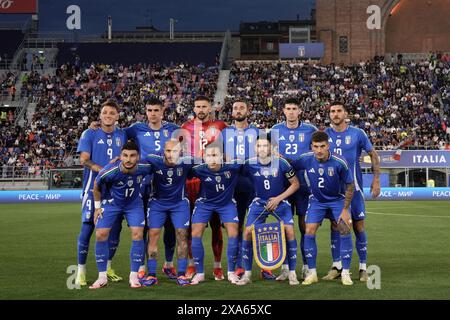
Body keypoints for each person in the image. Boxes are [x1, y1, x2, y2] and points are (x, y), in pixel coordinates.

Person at [123, 97, 180, 279]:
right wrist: (96, 126)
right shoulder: (136, 129)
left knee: (171, 226)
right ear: (145, 112)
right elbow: (116, 133)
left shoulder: (172, 128)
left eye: (156, 110)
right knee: (146, 226)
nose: (153, 114)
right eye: (149, 110)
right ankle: (141, 265)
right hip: (145, 183)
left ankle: (169, 264)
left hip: (167, 184)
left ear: (162, 111)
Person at [323, 103, 380, 282]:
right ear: (329, 115)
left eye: (339, 111)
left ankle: (363, 268)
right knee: (335, 226)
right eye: (332, 111)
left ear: (345, 113)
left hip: (354, 190)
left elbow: (373, 154)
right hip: (334, 192)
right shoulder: (324, 135)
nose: (336, 114)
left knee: (359, 226)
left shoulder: (358, 133)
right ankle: (337, 266)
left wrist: (376, 179)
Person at [292, 131, 355, 286]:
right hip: (316, 201)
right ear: (311, 147)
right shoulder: (306, 159)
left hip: (337, 200)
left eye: (322, 146)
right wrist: (277, 158)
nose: (319, 150)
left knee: (345, 227)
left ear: (328, 146)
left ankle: (345, 273)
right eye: (315, 146)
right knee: (309, 230)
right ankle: (312, 273)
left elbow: (350, 186)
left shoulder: (339, 162)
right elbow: (289, 165)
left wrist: (345, 209)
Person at [75, 99, 127, 287]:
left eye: (112, 113)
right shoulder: (89, 133)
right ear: (100, 114)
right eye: (105, 112)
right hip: (93, 188)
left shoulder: (122, 134)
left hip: (115, 190)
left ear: (117, 116)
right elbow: (84, 160)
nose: (108, 116)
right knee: (88, 227)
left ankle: (108, 268)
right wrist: (103, 169)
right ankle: (81, 271)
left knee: (115, 230)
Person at [236, 134, 300, 285]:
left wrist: (278, 198)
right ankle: (247, 274)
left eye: (265, 145)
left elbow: (296, 184)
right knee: (247, 232)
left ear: (271, 147)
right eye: (259, 146)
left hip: (280, 202)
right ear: (255, 148)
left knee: (289, 231)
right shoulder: (248, 164)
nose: (262, 149)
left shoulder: (282, 163)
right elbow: (234, 174)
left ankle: (291, 273)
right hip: (259, 204)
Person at [90, 140, 152, 289]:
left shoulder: (145, 166)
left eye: (132, 156)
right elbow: (96, 187)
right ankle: (102, 277)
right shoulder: (110, 170)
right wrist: (97, 207)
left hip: (134, 205)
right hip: (112, 204)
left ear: (138, 157)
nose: (128, 159)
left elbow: (158, 164)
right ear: (120, 156)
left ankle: (134, 277)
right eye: (125, 155)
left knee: (138, 234)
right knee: (100, 234)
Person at [181, 95, 228, 280]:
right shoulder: (185, 127)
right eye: (197, 106)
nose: (200, 109)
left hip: (214, 181)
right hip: (192, 182)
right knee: (193, 226)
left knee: (216, 225)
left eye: (204, 106)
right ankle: (192, 266)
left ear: (210, 108)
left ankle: (217, 266)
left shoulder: (221, 127)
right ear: (194, 108)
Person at [271, 98, 318, 280]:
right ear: (283, 110)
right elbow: (271, 153)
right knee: (284, 226)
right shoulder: (275, 130)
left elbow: (316, 152)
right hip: (282, 184)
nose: (291, 112)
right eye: (288, 108)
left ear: (300, 111)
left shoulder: (310, 130)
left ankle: (306, 266)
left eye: (294, 109)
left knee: (304, 226)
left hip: (304, 184)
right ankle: (285, 268)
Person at [141, 140, 194, 287]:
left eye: (175, 151)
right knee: (153, 236)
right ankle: (151, 274)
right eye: (169, 151)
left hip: (179, 204)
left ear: (181, 152)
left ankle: (182, 274)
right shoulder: (153, 160)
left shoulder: (187, 161)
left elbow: (208, 162)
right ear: (163, 151)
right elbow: (134, 162)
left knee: (182, 236)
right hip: (157, 203)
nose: (171, 155)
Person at [189, 142, 241, 285]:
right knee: (195, 233)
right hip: (205, 203)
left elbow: (252, 162)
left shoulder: (233, 167)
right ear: (204, 157)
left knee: (233, 232)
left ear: (222, 157)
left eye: (215, 155)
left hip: (226, 203)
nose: (212, 159)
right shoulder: (198, 169)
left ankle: (231, 272)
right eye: (208, 156)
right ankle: (199, 273)